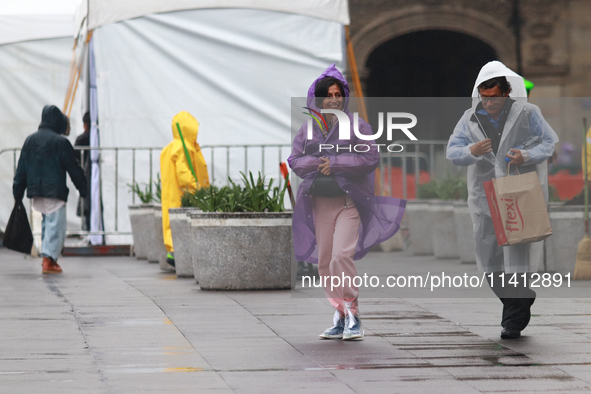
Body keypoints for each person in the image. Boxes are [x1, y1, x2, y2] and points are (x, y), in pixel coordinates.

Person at [288, 64, 405, 340]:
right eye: (328, 94)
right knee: (325, 262)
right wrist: (318, 162)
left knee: (342, 255)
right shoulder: (308, 129)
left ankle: (354, 314)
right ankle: (339, 314)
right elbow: (294, 160)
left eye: (338, 93)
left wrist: (337, 164)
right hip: (320, 203)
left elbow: (370, 157)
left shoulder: (357, 125)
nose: (334, 98)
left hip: (349, 202)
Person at [447, 61, 558, 339]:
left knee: (517, 260)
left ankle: (513, 321)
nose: (489, 103)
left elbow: (548, 142)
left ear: (506, 93)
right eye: (484, 97)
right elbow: (453, 151)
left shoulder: (528, 113)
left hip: (517, 194)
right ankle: (520, 301)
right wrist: (471, 150)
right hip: (485, 198)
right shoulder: (469, 118)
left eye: (494, 97)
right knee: (489, 261)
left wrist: (526, 155)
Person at [13, 105, 88, 274]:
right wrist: (83, 189)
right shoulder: (60, 142)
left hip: (36, 191)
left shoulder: (30, 140)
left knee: (47, 223)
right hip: (55, 191)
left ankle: (48, 258)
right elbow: (73, 168)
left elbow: (21, 168)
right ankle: (49, 259)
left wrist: (17, 192)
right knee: (56, 225)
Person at [160, 111, 209, 267]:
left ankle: (173, 251)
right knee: (185, 223)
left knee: (171, 221)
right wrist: (197, 191)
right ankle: (180, 255)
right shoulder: (184, 148)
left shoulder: (169, 149)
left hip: (171, 193)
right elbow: (184, 176)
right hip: (184, 195)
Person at [75, 112, 91, 231]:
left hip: (85, 175)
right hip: (89, 174)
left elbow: (75, 159)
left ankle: (88, 230)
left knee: (86, 204)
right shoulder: (100, 138)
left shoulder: (81, 139)